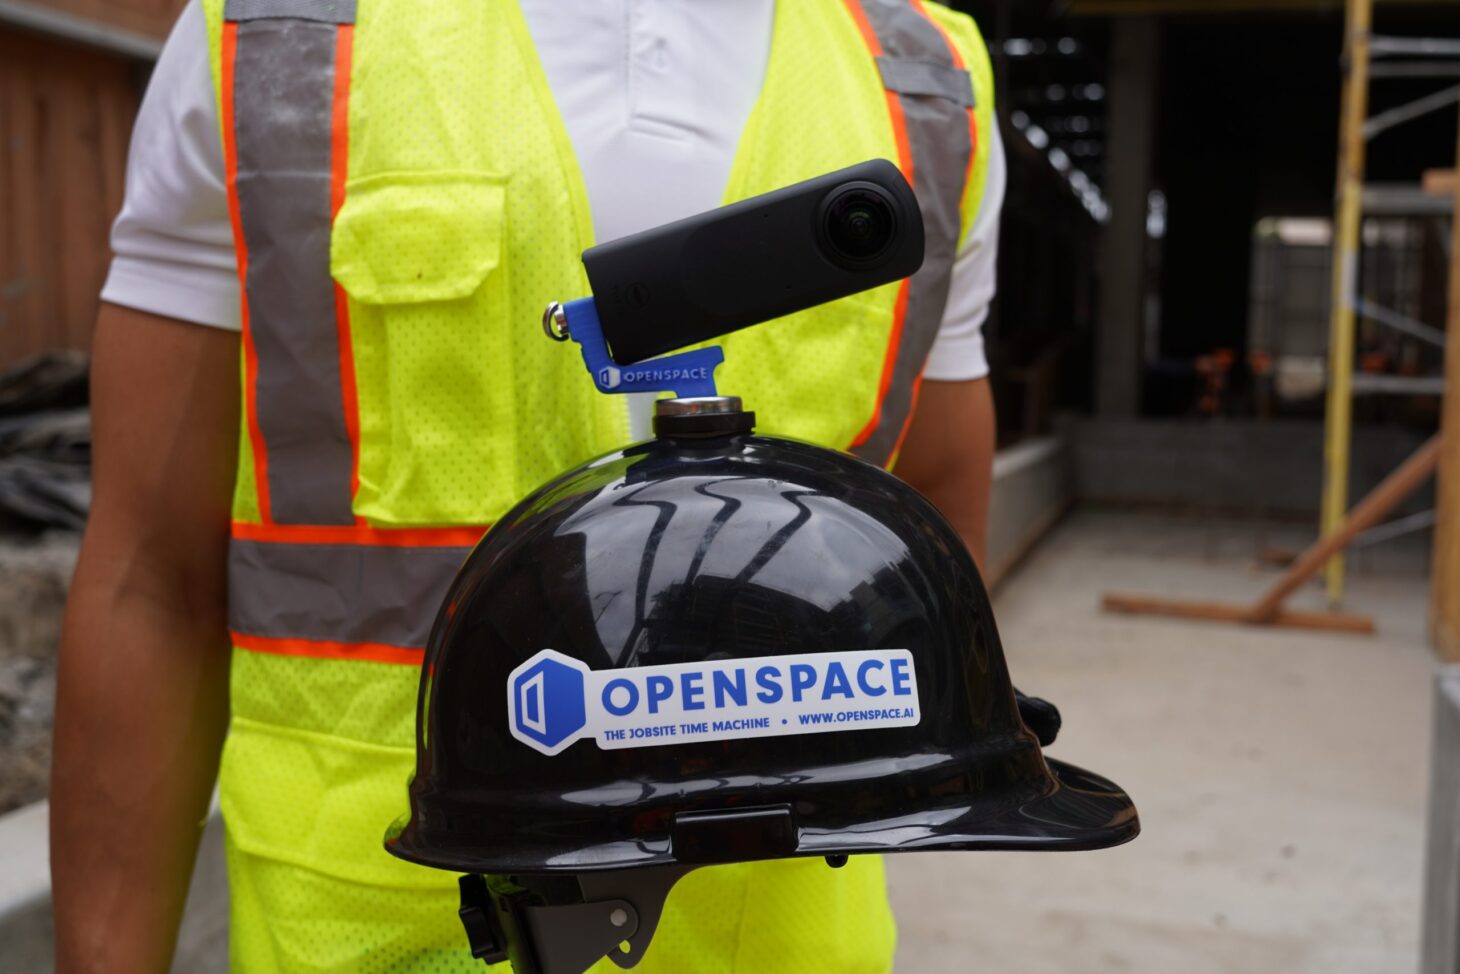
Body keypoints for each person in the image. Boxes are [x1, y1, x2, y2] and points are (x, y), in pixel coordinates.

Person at [50, 1, 1005, 970]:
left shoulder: (923, 83)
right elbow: (149, 583)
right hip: (373, 929)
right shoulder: (277, 41)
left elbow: (931, 568)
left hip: (779, 939)